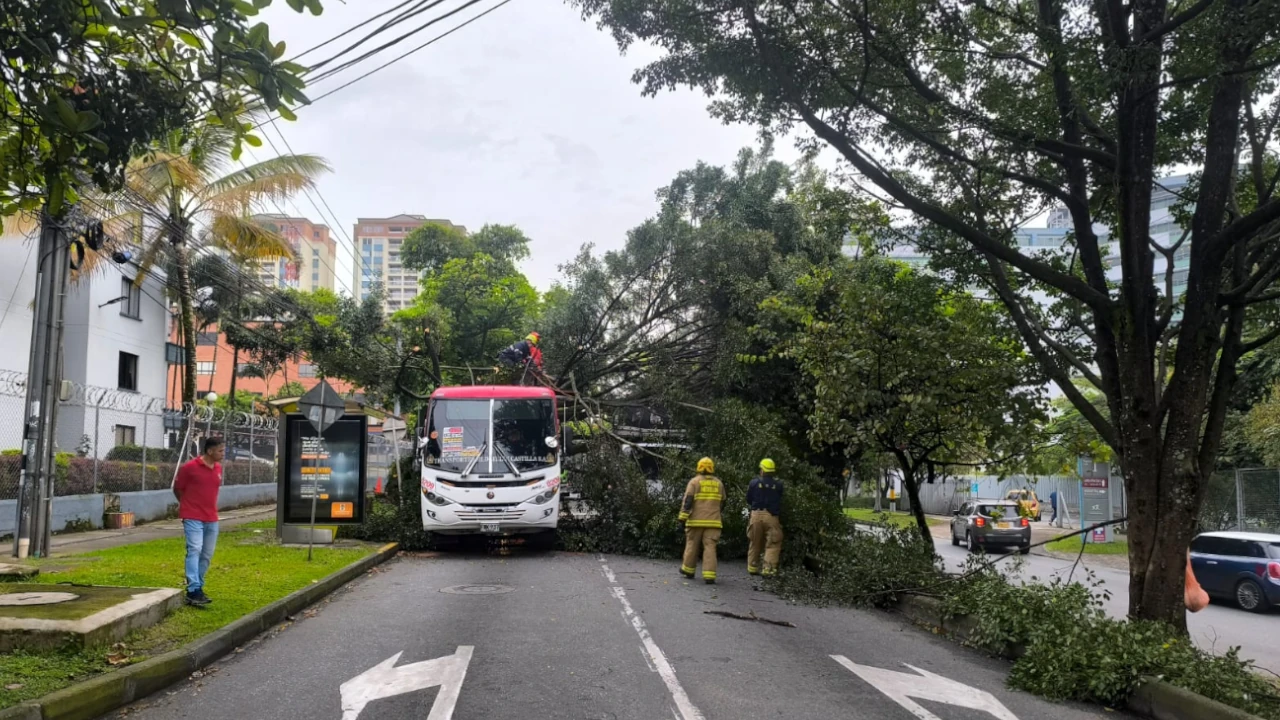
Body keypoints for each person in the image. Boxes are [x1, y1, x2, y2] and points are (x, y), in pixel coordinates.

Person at [174, 437, 224, 607]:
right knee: (194, 549)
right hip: (192, 516)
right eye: (220, 451)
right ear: (210, 451)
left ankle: (199, 587)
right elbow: (177, 488)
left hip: (211, 517)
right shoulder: (190, 467)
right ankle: (193, 589)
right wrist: (186, 506)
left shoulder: (218, 468)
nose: (222, 454)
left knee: (206, 554)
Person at [678, 457, 725, 584]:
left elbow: (688, 502)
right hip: (713, 522)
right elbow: (722, 502)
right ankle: (709, 576)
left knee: (692, 544)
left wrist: (682, 518)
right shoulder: (719, 483)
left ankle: (688, 570)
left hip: (695, 521)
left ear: (698, 467)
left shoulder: (694, 482)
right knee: (710, 547)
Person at [746, 458, 785, 576]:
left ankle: (752, 566)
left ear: (762, 470)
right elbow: (780, 499)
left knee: (755, 541)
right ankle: (768, 569)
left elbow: (748, 499)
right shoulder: (778, 485)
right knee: (773, 543)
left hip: (756, 515)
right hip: (771, 516)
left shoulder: (753, 483)